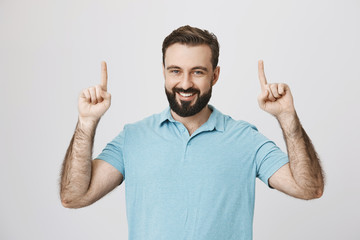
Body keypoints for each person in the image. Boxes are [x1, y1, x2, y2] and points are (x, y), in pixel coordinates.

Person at [60, 25, 324, 240]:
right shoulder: (133, 138)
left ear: (215, 75)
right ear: (164, 72)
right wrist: (86, 122)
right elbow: (74, 196)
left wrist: (287, 117)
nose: (185, 84)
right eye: (175, 71)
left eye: (197, 72)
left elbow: (308, 188)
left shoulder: (245, 139)